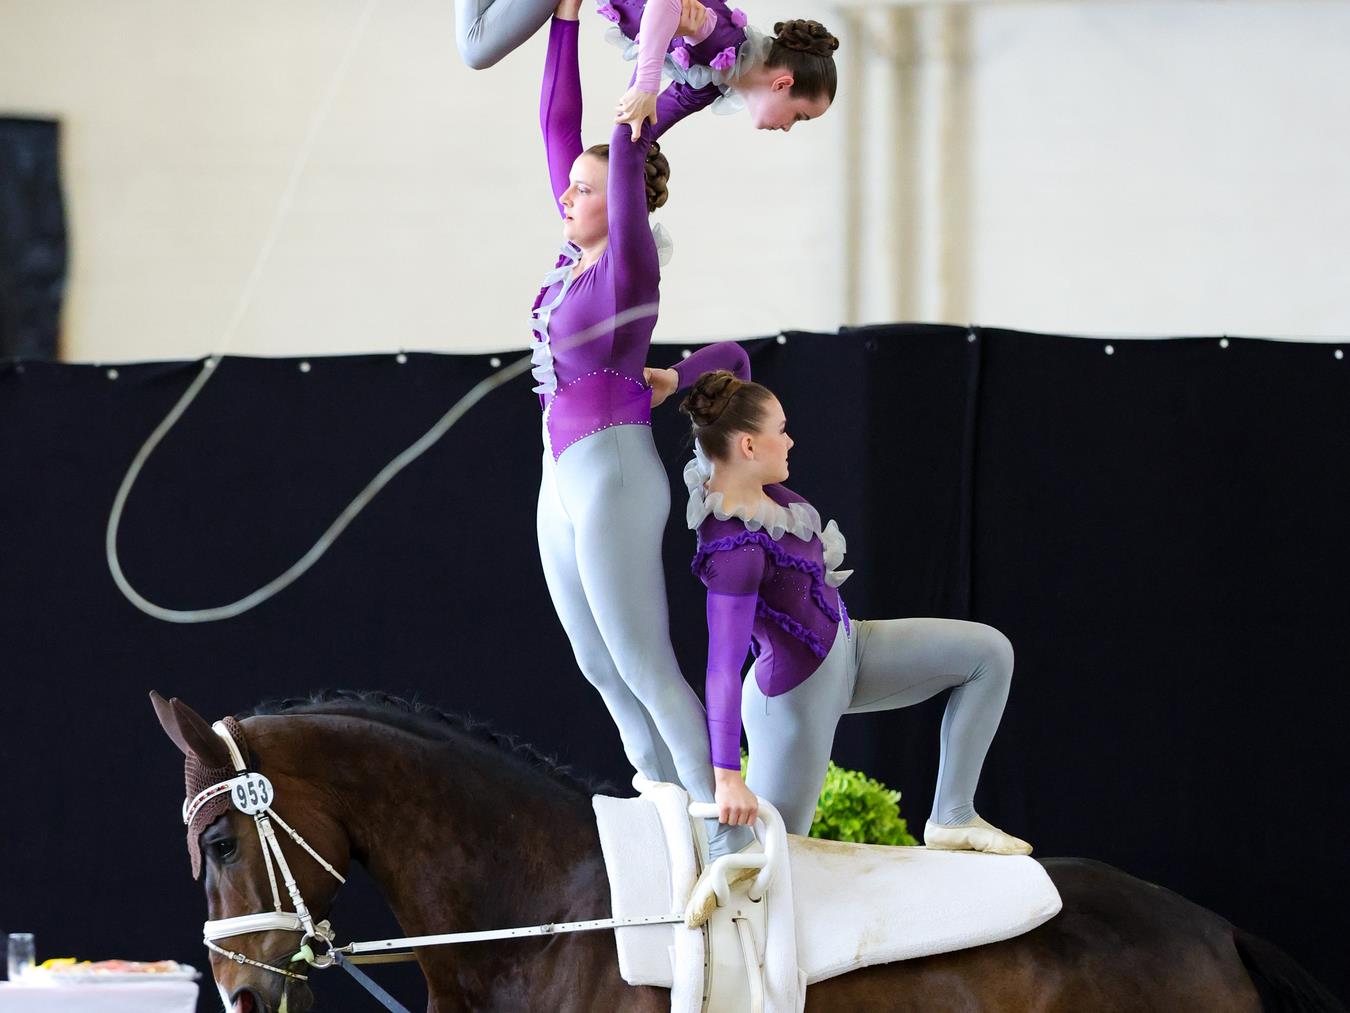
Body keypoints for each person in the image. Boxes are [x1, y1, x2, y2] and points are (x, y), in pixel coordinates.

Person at [532, 1, 751, 856]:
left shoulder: (628, 261)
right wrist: (562, 22)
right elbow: (557, 123)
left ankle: (729, 842)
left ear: (612, 204)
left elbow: (618, 149)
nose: (567, 194)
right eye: (571, 185)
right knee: (599, 666)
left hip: (614, 472)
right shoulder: (568, 256)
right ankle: (669, 827)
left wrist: (644, 84)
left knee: (647, 664)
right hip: (561, 478)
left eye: (583, 190)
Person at [679, 370, 1033, 855]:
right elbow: (721, 666)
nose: (791, 439)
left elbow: (732, 365)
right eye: (780, 429)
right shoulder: (732, 550)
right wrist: (726, 777)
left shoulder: (768, 493)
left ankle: (952, 814)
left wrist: (672, 377)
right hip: (794, 702)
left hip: (852, 649)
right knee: (769, 859)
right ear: (747, 445)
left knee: (989, 654)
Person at [455, 0, 838, 136]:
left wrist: (631, 162)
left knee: (481, 36)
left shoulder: (712, 80)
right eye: (799, 117)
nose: (787, 128)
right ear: (782, 84)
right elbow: (666, 4)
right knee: (476, 47)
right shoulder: (725, 42)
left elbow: (644, 129)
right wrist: (645, 84)